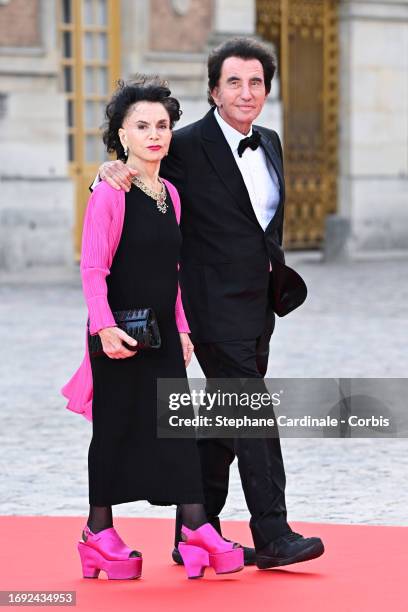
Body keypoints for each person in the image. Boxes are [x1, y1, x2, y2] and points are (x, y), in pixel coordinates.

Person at [96, 37, 325, 570]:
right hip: (207, 305)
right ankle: (273, 533)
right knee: (251, 409)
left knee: (223, 421)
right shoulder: (188, 142)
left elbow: (264, 224)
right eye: (234, 82)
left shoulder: (269, 141)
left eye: (256, 82)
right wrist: (105, 172)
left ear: (267, 90)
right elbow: (136, 164)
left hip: (256, 305)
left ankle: (194, 531)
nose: (246, 92)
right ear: (213, 91)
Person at [61, 77, 244, 580]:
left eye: (162, 125)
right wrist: (102, 328)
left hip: (162, 337)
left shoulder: (171, 195)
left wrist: (183, 329)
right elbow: (93, 268)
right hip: (117, 336)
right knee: (115, 433)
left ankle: (194, 526)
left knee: (178, 433)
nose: (154, 134)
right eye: (141, 126)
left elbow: (175, 274)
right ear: (122, 136)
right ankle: (98, 532)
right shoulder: (110, 192)